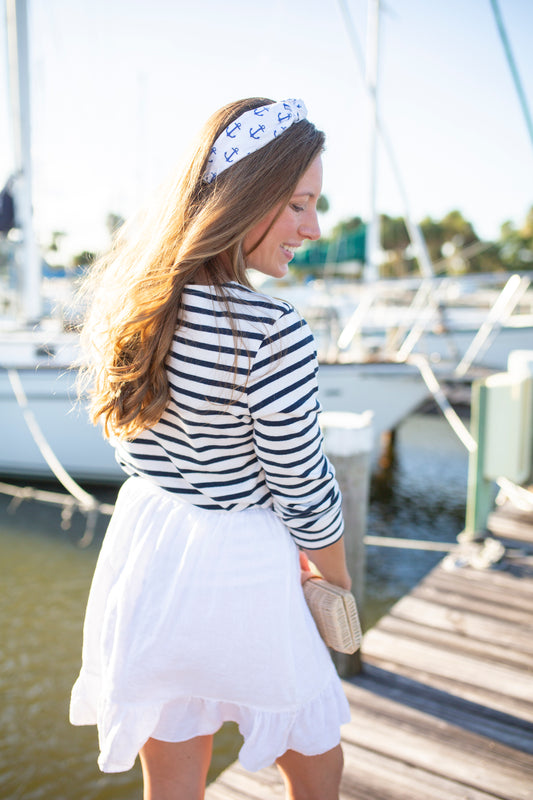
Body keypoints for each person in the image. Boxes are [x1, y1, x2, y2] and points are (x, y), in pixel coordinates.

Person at [70, 96, 352, 800]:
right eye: (297, 204)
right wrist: (336, 581)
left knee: (171, 758)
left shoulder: (133, 299)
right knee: (312, 747)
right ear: (245, 196)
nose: (313, 228)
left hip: (151, 544)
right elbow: (301, 483)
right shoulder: (269, 327)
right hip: (242, 555)